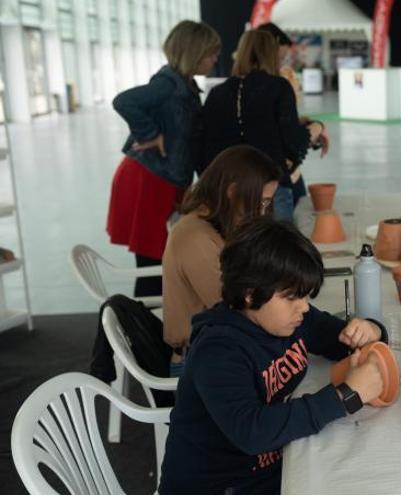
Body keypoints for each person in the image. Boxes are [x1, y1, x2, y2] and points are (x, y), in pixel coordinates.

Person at [160, 218, 387, 494]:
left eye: (305, 296)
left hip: (272, 467)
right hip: (222, 485)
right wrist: (345, 397)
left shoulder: (289, 317)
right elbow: (253, 432)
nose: (304, 307)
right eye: (292, 297)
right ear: (249, 294)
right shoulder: (218, 351)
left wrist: (370, 330)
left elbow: (341, 339)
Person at [108, 20, 220, 297]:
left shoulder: (185, 85)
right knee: (153, 260)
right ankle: (139, 330)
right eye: (210, 53)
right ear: (193, 52)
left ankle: (150, 326)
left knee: (161, 260)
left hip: (164, 178)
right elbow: (123, 101)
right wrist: (150, 133)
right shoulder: (168, 84)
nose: (215, 59)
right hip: (150, 178)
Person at [162, 145, 280, 375]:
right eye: (262, 202)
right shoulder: (194, 236)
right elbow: (236, 307)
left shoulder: (222, 223)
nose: (265, 212)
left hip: (223, 345)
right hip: (199, 361)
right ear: (233, 193)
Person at [202, 30, 326, 223]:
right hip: (269, 193)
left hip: (230, 194)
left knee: (239, 246)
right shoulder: (278, 87)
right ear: (272, 54)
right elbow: (293, 142)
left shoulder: (218, 93)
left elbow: (206, 147)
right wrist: (318, 127)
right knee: (273, 245)